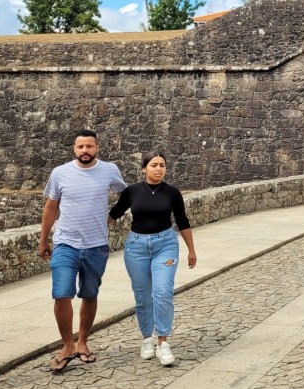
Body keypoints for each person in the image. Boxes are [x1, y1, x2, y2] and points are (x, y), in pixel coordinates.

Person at [39, 130, 127, 373]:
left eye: (89, 146)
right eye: (80, 147)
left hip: (96, 245)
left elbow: (126, 196)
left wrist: (111, 218)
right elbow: (51, 207)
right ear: (74, 149)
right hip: (65, 243)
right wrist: (43, 240)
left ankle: (83, 342)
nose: (85, 150)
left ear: (97, 147)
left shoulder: (109, 170)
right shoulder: (60, 173)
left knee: (89, 294)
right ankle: (68, 345)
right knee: (61, 293)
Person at [109, 152, 196, 367]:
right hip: (136, 247)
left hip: (165, 245)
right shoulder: (132, 191)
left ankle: (163, 342)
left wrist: (191, 250)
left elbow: (182, 220)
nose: (158, 169)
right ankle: (147, 338)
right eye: (154, 165)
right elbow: (114, 214)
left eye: (162, 165)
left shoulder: (172, 192)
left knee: (163, 291)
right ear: (144, 168)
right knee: (142, 296)